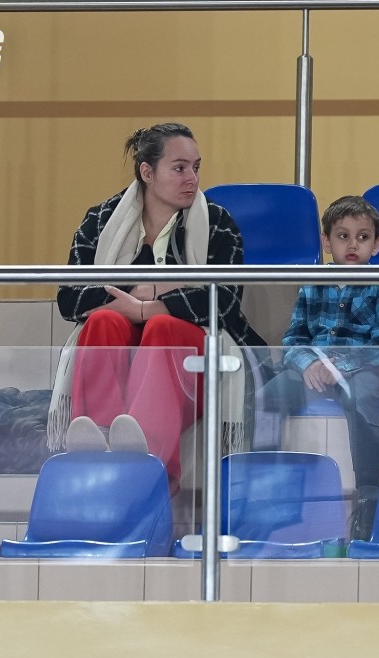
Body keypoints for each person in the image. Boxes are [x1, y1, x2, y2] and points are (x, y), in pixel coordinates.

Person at [49, 122, 267, 493]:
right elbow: (70, 299)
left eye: (196, 167)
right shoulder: (100, 220)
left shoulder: (218, 223)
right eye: (179, 168)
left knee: (162, 328)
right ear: (147, 173)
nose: (192, 179)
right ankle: (100, 440)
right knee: (102, 322)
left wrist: (145, 309)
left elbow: (224, 303)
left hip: (194, 357)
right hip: (126, 340)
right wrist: (147, 290)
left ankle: (153, 464)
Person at [255, 195, 379, 540]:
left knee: (361, 396)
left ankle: (368, 496)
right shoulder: (313, 283)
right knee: (268, 395)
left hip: (364, 368)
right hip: (315, 369)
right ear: (326, 242)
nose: (353, 245)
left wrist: (337, 367)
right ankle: (264, 484)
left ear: (376, 244)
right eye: (343, 236)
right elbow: (294, 338)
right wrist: (309, 363)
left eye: (363, 237)